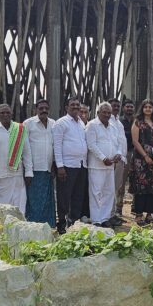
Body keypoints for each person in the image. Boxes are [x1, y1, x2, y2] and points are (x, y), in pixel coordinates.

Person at [86, 102, 126, 227]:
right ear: (98, 113)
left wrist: (118, 153)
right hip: (97, 165)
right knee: (96, 193)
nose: (107, 115)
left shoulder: (112, 127)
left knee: (109, 192)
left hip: (110, 165)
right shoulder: (92, 125)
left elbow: (118, 143)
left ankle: (105, 218)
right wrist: (103, 158)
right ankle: (96, 220)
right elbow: (91, 144)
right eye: (104, 112)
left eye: (109, 112)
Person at [0, 104, 32, 214]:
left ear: (12, 114)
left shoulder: (20, 129)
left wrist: (29, 172)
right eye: (2, 113)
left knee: (19, 207)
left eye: (8, 112)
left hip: (17, 176)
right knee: (0, 208)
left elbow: (27, 152)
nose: (5, 115)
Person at [53, 97, 88, 231]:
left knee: (78, 195)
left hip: (81, 165)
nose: (75, 107)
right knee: (64, 196)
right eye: (72, 105)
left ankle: (73, 222)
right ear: (66, 107)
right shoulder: (61, 123)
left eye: (77, 105)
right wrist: (60, 166)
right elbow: (57, 145)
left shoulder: (81, 123)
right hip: (67, 165)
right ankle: (62, 223)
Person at [130, 99, 153, 225]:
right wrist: (145, 156)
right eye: (146, 107)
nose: (148, 109)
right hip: (141, 159)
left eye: (150, 107)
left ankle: (149, 214)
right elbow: (135, 141)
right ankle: (139, 215)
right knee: (140, 186)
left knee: (152, 186)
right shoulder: (137, 122)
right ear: (142, 108)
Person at [24, 100, 56, 226]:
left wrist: (54, 165)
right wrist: (28, 170)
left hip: (48, 168)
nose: (44, 110)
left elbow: (54, 145)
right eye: (41, 108)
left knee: (47, 200)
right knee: (34, 199)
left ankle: (48, 226)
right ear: (35, 109)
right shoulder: (28, 124)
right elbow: (25, 148)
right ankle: (33, 226)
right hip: (34, 169)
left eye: (46, 108)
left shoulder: (53, 123)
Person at [108, 98, 128, 223]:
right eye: (113, 106)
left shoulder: (118, 123)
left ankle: (113, 213)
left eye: (117, 106)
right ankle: (108, 215)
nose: (116, 108)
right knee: (109, 188)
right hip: (112, 160)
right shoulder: (107, 122)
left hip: (121, 159)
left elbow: (121, 141)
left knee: (115, 188)